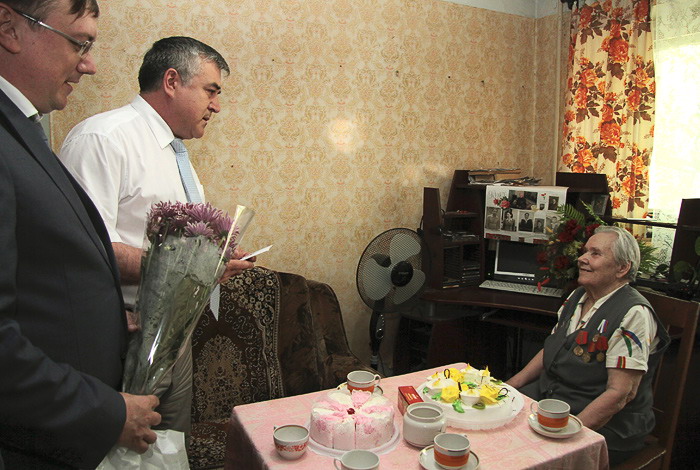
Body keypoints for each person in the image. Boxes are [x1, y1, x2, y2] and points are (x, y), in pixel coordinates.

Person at [59, 36, 255, 435]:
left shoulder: (174, 153)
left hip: (174, 331)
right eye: (211, 91)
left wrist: (213, 262)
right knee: (121, 449)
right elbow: (88, 250)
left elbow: (173, 249)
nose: (216, 105)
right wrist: (193, 268)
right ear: (171, 81)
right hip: (122, 333)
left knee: (168, 449)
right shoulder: (103, 140)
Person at [0, 1, 161, 468]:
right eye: (80, 43)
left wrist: (106, 321)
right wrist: (106, 413)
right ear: (9, 28)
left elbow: (42, 276)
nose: (88, 65)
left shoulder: (22, 130)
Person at [507, 226, 670, 465]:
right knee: (494, 420)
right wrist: (510, 386)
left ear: (622, 268)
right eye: (585, 251)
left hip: (606, 426)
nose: (582, 258)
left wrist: (569, 434)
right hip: (553, 404)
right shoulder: (578, 297)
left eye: (595, 253)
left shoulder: (634, 313)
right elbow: (552, 349)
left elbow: (620, 394)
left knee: (523, 456)